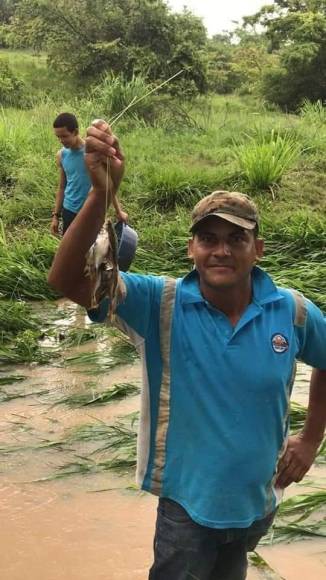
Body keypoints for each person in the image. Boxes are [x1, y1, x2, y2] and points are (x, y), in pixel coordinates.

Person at [48, 120, 326, 580]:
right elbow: (66, 282)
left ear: (257, 249)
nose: (222, 250)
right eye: (208, 239)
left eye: (236, 238)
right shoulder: (160, 304)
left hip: (259, 503)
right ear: (190, 249)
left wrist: (311, 438)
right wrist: (100, 196)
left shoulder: (292, 311)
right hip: (187, 514)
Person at [51, 112, 128, 236]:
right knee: (72, 250)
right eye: (58, 137)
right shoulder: (61, 155)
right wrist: (56, 216)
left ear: (75, 132)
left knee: (94, 250)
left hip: (92, 210)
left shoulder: (93, 153)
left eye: (64, 136)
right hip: (69, 210)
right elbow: (62, 186)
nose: (61, 141)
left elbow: (107, 186)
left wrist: (119, 211)